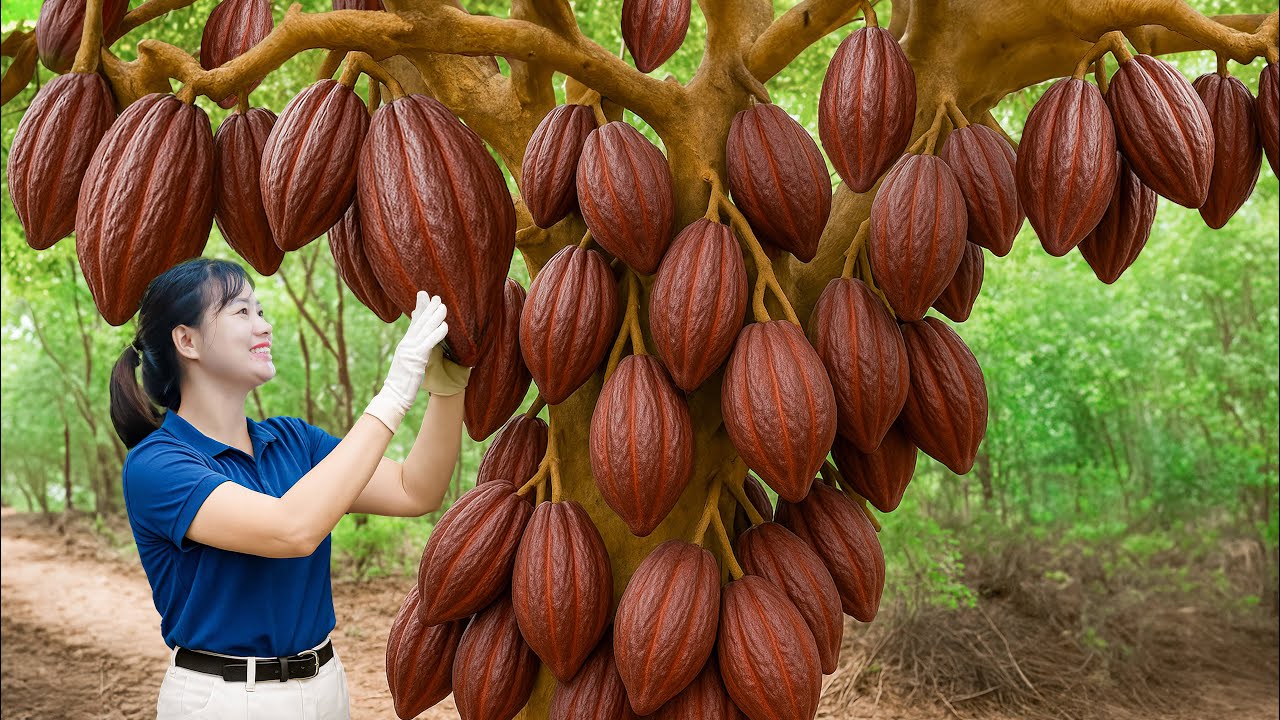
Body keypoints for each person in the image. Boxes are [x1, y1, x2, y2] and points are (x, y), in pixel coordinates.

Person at [108, 257, 471, 720]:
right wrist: (396, 391)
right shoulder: (157, 464)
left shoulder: (293, 440)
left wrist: (446, 386)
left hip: (325, 684)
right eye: (242, 312)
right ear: (187, 341)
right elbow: (291, 530)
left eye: (261, 311)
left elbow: (413, 489)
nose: (264, 326)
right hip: (226, 700)